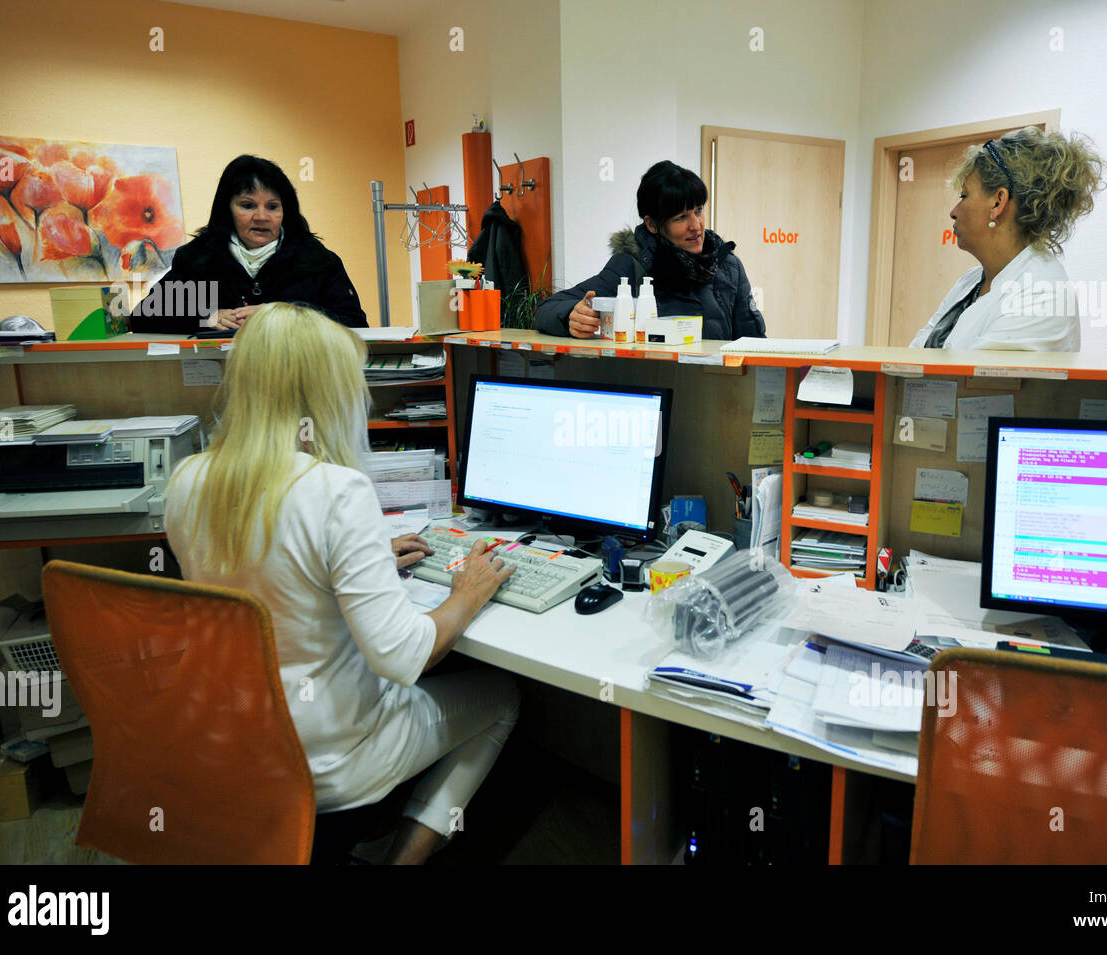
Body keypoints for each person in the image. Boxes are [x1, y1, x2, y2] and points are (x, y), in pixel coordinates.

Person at [164, 302, 516, 864]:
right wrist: (468, 592)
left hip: (231, 743)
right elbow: (404, 657)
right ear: (325, 393)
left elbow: (271, 578)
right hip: (329, 760)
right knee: (503, 696)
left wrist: (366, 558)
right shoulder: (335, 490)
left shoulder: (188, 480)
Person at [908, 126, 1105, 351]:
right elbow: (917, 351)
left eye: (964, 195)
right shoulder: (971, 281)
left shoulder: (1043, 294)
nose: (953, 211)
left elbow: (971, 382)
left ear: (998, 202)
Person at [130, 155, 366, 333]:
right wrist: (207, 316)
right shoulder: (197, 259)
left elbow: (355, 324)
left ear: (285, 211)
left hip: (300, 377)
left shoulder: (317, 260)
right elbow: (143, 316)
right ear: (227, 210)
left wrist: (284, 315)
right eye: (248, 205)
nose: (262, 217)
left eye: (272, 207)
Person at [536, 160, 766, 341]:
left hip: (716, 391)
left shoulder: (728, 266)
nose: (696, 225)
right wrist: (571, 316)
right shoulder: (631, 266)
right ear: (653, 224)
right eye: (681, 217)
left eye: (698, 210)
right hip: (656, 392)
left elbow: (754, 341)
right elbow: (547, 309)